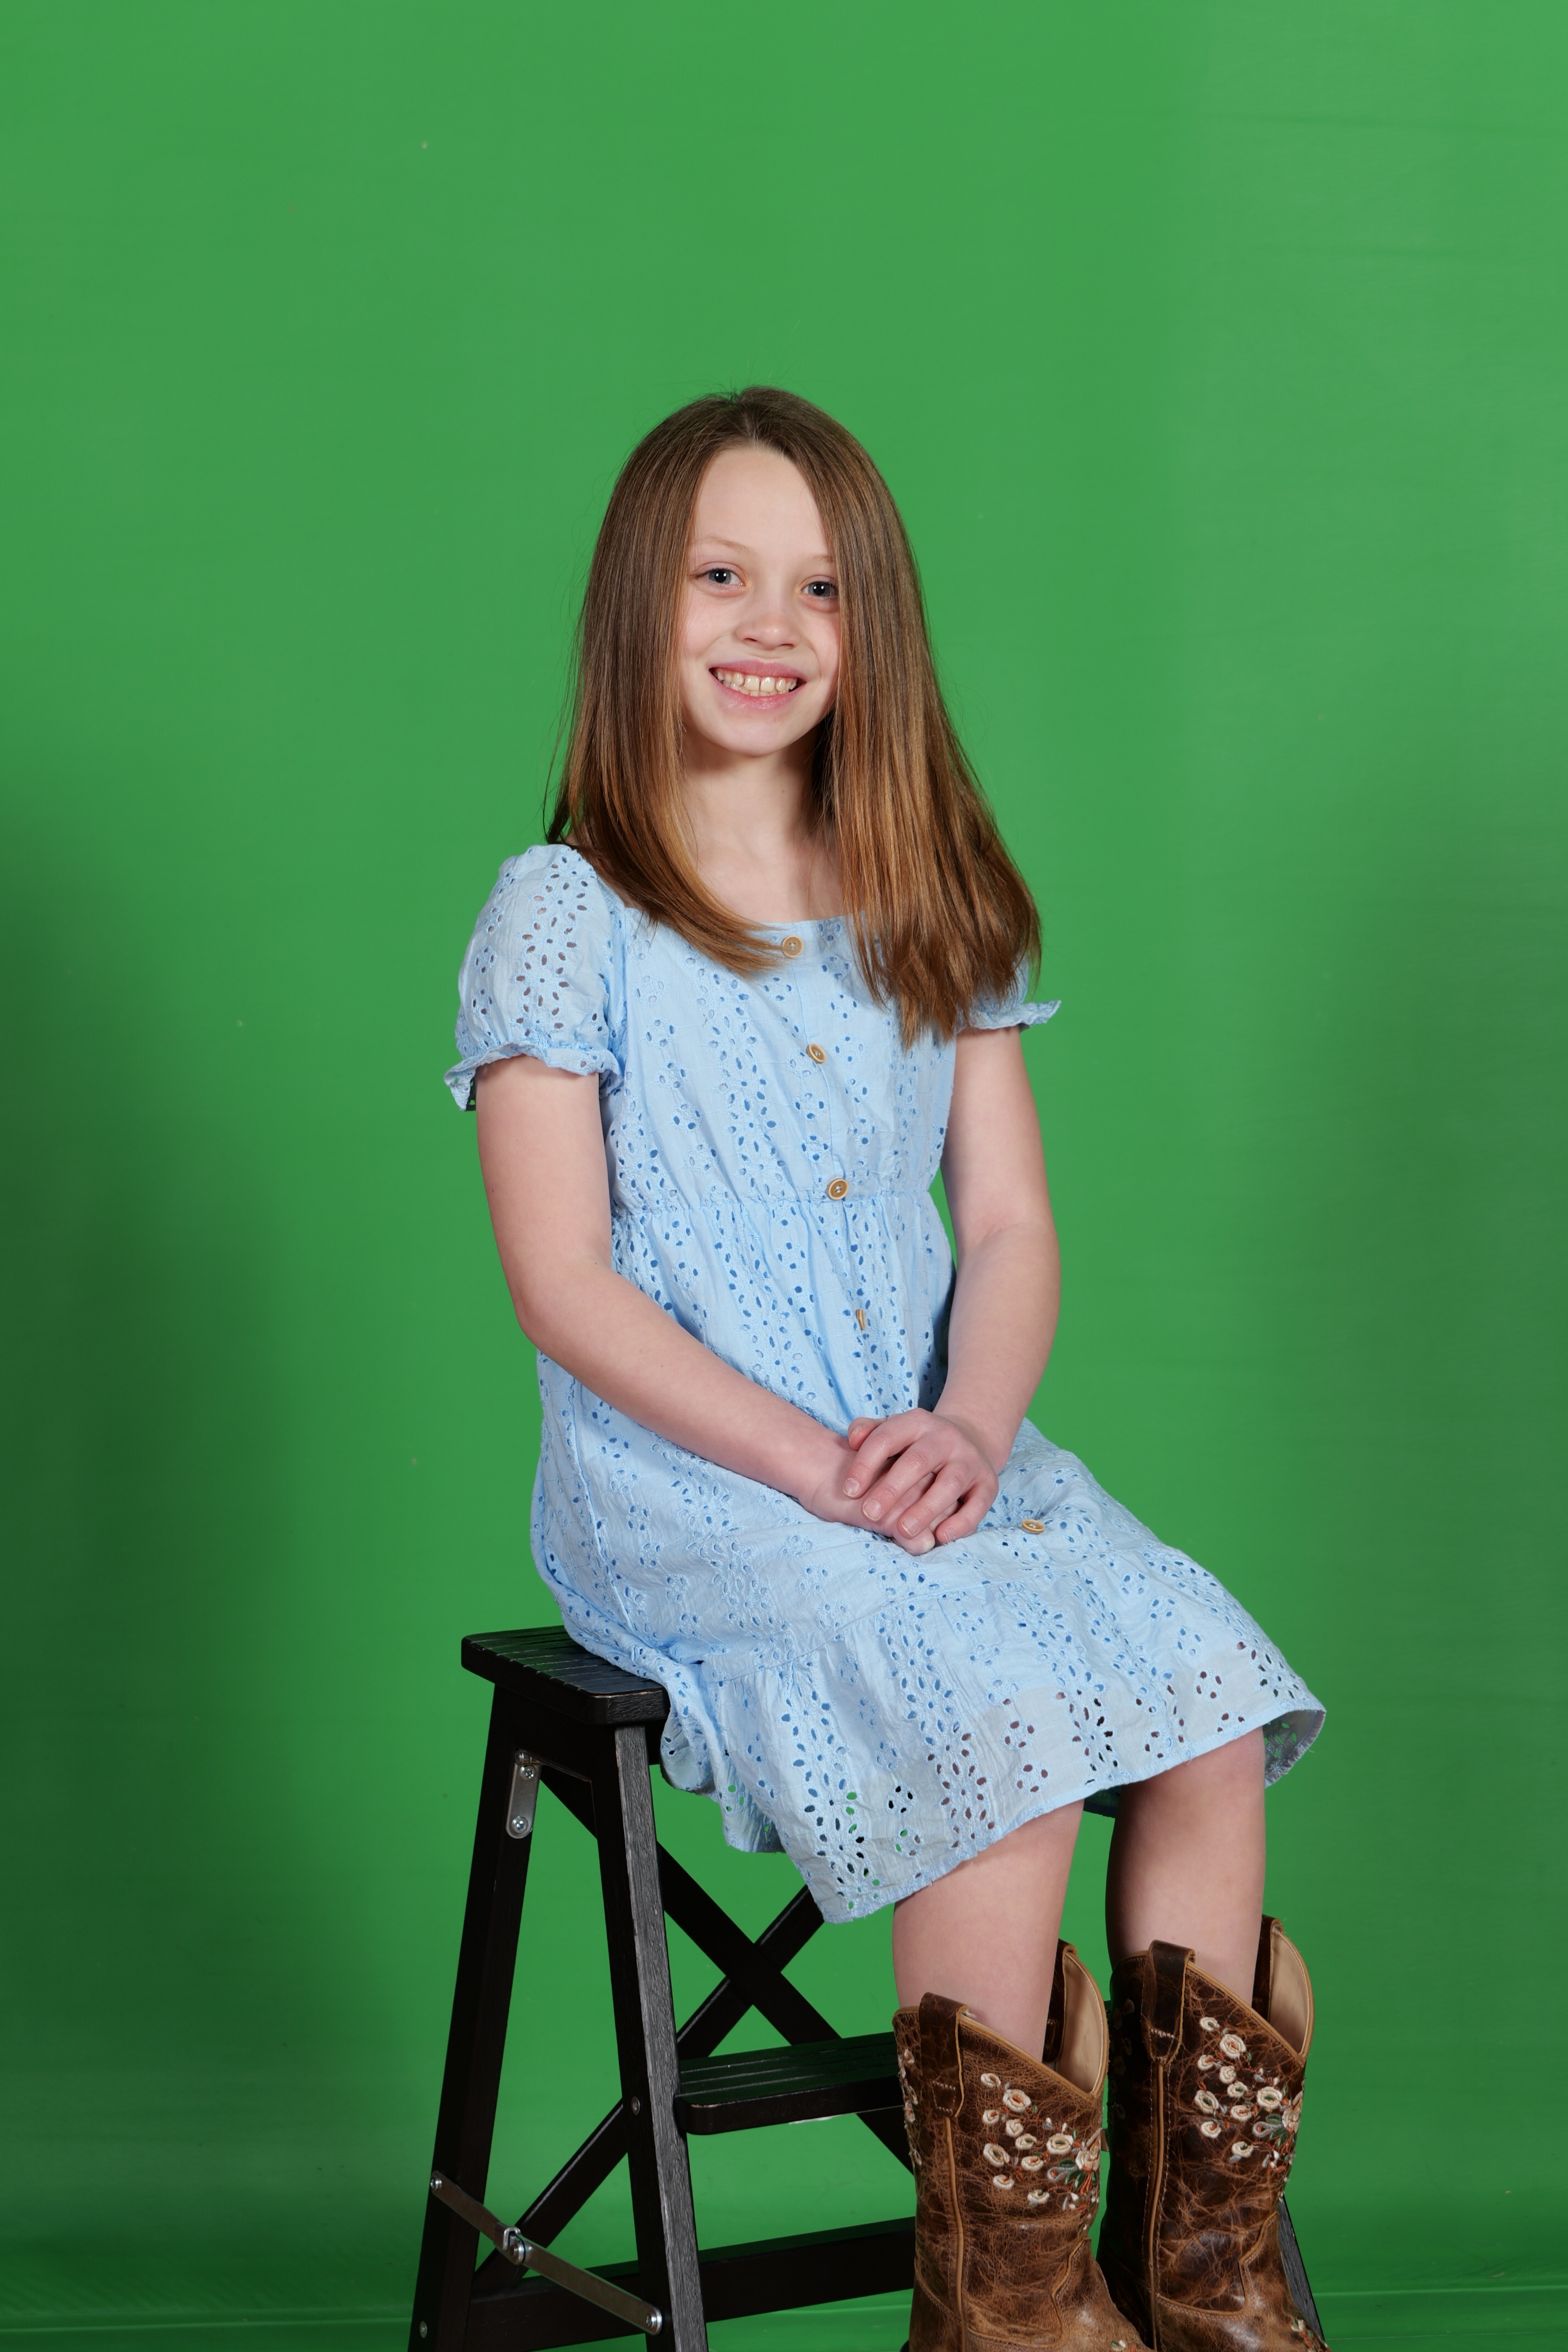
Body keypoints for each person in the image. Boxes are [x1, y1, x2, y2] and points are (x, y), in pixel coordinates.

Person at [446, 388, 1327, 2352]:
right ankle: (1005, 2305)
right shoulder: (566, 916)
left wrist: (970, 1428)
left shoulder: (928, 890)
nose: (772, 624)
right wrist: (810, 1462)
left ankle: (1202, 2274)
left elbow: (1009, 1230)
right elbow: (562, 1283)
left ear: (876, 629)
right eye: (722, 576)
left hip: (941, 1446)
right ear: (640, 603)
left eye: (823, 588)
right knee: (994, 1715)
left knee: (1203, 1694)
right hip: (700, 1485)